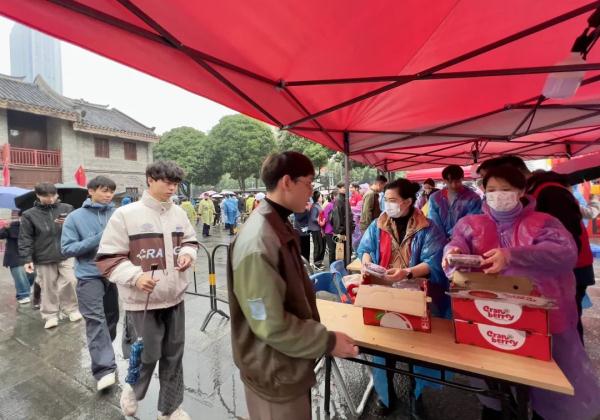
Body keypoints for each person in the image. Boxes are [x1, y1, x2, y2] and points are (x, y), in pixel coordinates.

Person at [443, 165, 600, 420]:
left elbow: (564, 254)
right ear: (483, 191)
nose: (498, 195)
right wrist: (452, 253)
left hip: (543, 319)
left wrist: (512, 256)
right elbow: (457, 244)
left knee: (547, 388)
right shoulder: (471, 223)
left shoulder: (544, 222)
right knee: (495, 387)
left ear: (522, 190)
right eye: (492, 189)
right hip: (490, 315)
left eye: (506, 189)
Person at [227, 151, 358, 420]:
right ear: (287, 181)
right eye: (308, 183)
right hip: (274, 370)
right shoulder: (260, 239)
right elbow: (270, 323)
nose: (312, 192)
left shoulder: (276, 223)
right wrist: (327, 341)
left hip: (285, 363)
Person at [96, 161, 198, 420]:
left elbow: (190, 240)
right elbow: (108, 258)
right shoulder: (126, 215)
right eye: (167, 182)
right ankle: (132, 389)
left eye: (176, 184)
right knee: (145, 354)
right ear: (150, 180)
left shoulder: (179, 213)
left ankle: (170, 408)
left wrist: (187, 253)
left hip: (174, 298)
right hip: (142, 302)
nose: (172, 188)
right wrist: (135, 277)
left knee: (174, 356)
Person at [357, 178, 449, 415]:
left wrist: (407, 272)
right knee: (381, 347)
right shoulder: (379, 224)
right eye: (385, 200)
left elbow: (435, 262)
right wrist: (367, 262)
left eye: (393, 200)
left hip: (415, 295)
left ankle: (415, 395)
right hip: (383, 292)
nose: (388, 205)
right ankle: (386, 395)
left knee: (414, 349)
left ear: (408, 201)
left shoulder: (427, 227)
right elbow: (364, 248)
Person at [480, 155, 595, 342]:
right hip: (540, 271)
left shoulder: (550, 192)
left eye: (502, 184)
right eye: (490, 188)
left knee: (564, 325)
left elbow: (567, 243)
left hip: (571, 270)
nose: (496, 193)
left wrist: (520, 255)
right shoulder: (534, 192)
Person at [61, 176, 119, 391]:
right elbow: (67, 249)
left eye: (111, 191)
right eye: (104, 190)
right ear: (91, 191)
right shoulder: (75, 218)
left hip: (114, 274)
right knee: (95, 320)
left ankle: (105, 349)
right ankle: (104, 369)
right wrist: (99, 238)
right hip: (88, 275)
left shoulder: (117, 214)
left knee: (112, 318)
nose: (108, 195)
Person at [19, 182, 81, 329]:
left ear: (57, 194)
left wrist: (68, 223)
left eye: (53, 195)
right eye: (46, 197)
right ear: (38, 196)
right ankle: (50, 315)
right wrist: (27, 259)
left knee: (71, 280)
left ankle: (70, 309)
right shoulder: (29, 215)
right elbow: (25, 238)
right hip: (43, 256)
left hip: (66, 252)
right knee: (47, 286)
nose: (51, 199)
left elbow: (78, 228)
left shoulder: (67, 208)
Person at [428, 165, 482, 238]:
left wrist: (453, 236)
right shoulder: (435, 198)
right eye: (450, 182)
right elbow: (434, 221)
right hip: (439, 239)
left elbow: (470, 221)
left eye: (457, 181)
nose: (454, 185)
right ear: (444, 180)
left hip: (464, 239)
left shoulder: (473, 198)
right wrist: (442, 238)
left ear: (462, 178)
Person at [0, 210, 35, 305]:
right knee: (20, 274)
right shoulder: (12, 225)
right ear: (19, 217)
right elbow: (1, 235)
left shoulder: (33, 226)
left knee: (32, 274)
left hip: (29, 255)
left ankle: (26, 287)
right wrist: (4, 228)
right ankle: (23, 295)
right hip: (14, 255)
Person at [332, 182, 355, 261]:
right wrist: (340, 232)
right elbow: (337, 218)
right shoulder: (338, 200)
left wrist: (352, 225)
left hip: (347, 230)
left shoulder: (345, 198)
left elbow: (349, 214)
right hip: (341, 232)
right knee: (341, 253)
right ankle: (343, 271)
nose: (346, 189)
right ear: (339, 188)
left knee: (347, 251)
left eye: (346, 187)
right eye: (344, 187)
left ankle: (346, 268)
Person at [308, 191, 325, 268]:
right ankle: (316, 263)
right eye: (321, 196)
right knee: (317, 246)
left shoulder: (317, 205)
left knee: (320, 246)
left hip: (318, 228)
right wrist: (320, 220)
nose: (322, 198)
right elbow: (313, 218)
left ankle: (319, 262)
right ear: (318, 198)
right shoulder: (315, 206)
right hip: (315, 229)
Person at [322, 191, 337, 265]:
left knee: (333, 250)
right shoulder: (330, 205)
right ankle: (333, 266)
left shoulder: (330, 205)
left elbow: (325, 219)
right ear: (334, 196)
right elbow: (325, 219)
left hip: (331, 231)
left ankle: (333, 266)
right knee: (333, 250)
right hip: (331, 231)